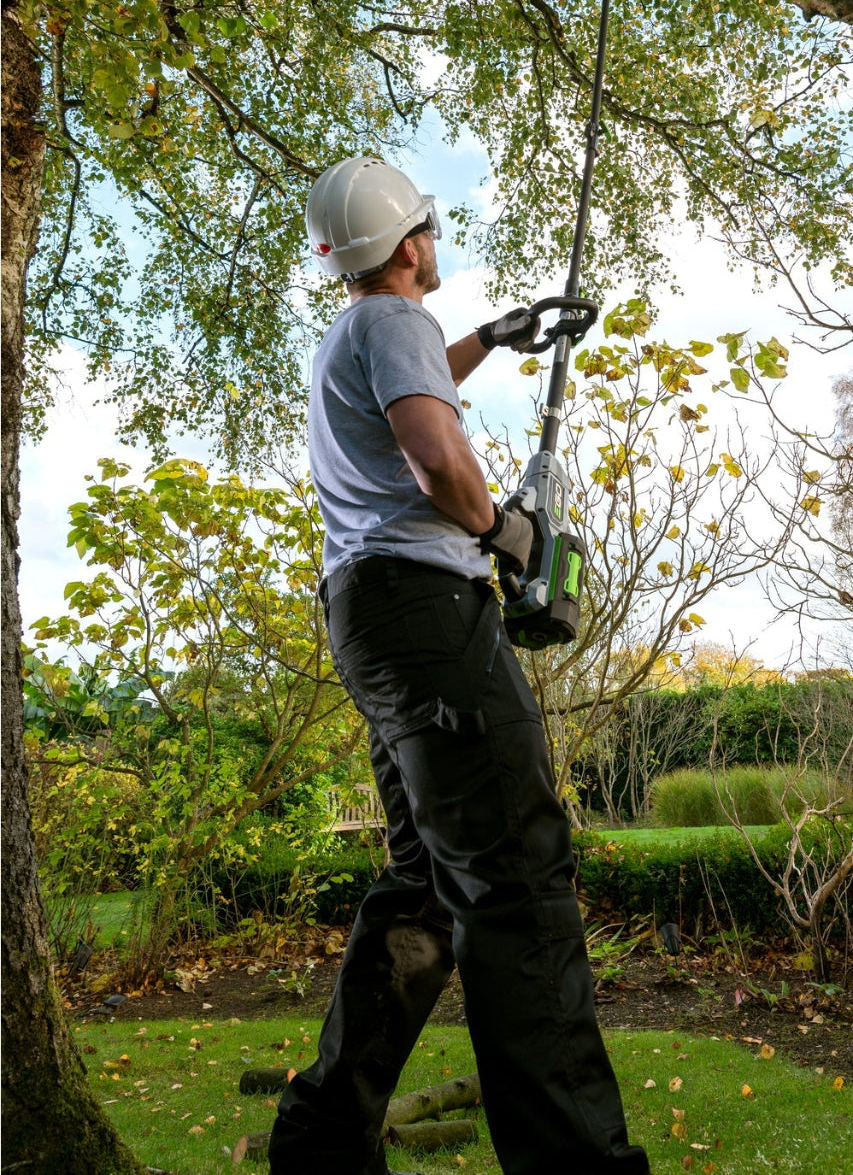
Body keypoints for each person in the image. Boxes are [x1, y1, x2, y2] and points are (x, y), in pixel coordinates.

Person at [268, 156, 650, 1175]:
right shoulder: (395, 320)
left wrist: (493, 335)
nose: (434, 242)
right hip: (428, 614)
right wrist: (506, 531)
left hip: (370, 619)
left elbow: (416, 389)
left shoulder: (353, 335)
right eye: (428, 229)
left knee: (425, 888)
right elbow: (436, 455)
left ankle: (320, 1147)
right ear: (408, 242)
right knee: (516, 881)